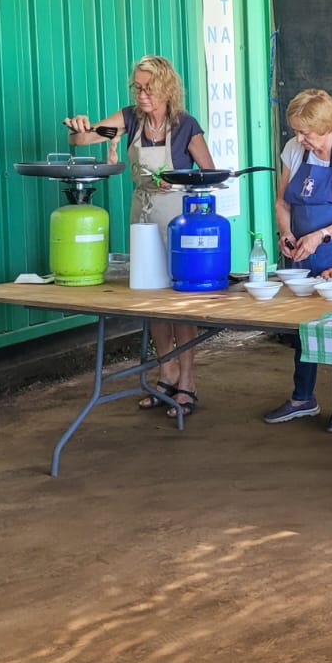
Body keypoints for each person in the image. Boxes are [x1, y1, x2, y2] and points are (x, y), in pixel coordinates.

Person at [66, 55, 215, 418]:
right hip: (143, 212)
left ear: (167, 88)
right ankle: (166, 374)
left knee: (179, 302)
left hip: (178, 216)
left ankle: (188, 382)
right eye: (138, 87)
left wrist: (177, 181)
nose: (142, 94)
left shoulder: (186, 126)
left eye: (149, 87)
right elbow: (83, 139)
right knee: (151, 298)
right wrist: (79, 126)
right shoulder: (129, 119)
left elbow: (209, 174)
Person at [262, 89, 332, 433]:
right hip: (303, 251)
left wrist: (321, 235)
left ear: (326, 127)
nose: (299, 139)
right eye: (296, 131)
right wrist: (286, 232)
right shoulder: (295, 149)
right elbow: (283, 201)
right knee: (303, 326)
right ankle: (302, 399)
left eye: (306, 132)